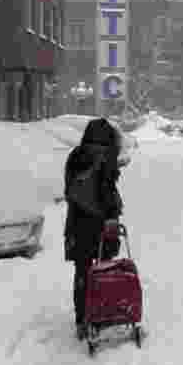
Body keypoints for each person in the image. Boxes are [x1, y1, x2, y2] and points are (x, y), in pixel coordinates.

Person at [64, 118, 124, 339]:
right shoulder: (106, 156)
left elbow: (68, 189)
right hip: (100, 223)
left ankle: (82, 319)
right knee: (103, 268)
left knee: (82, 270)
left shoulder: (76, 155)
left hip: (77, 222)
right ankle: (100, 313)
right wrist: (112, 216)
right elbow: (106, 192)